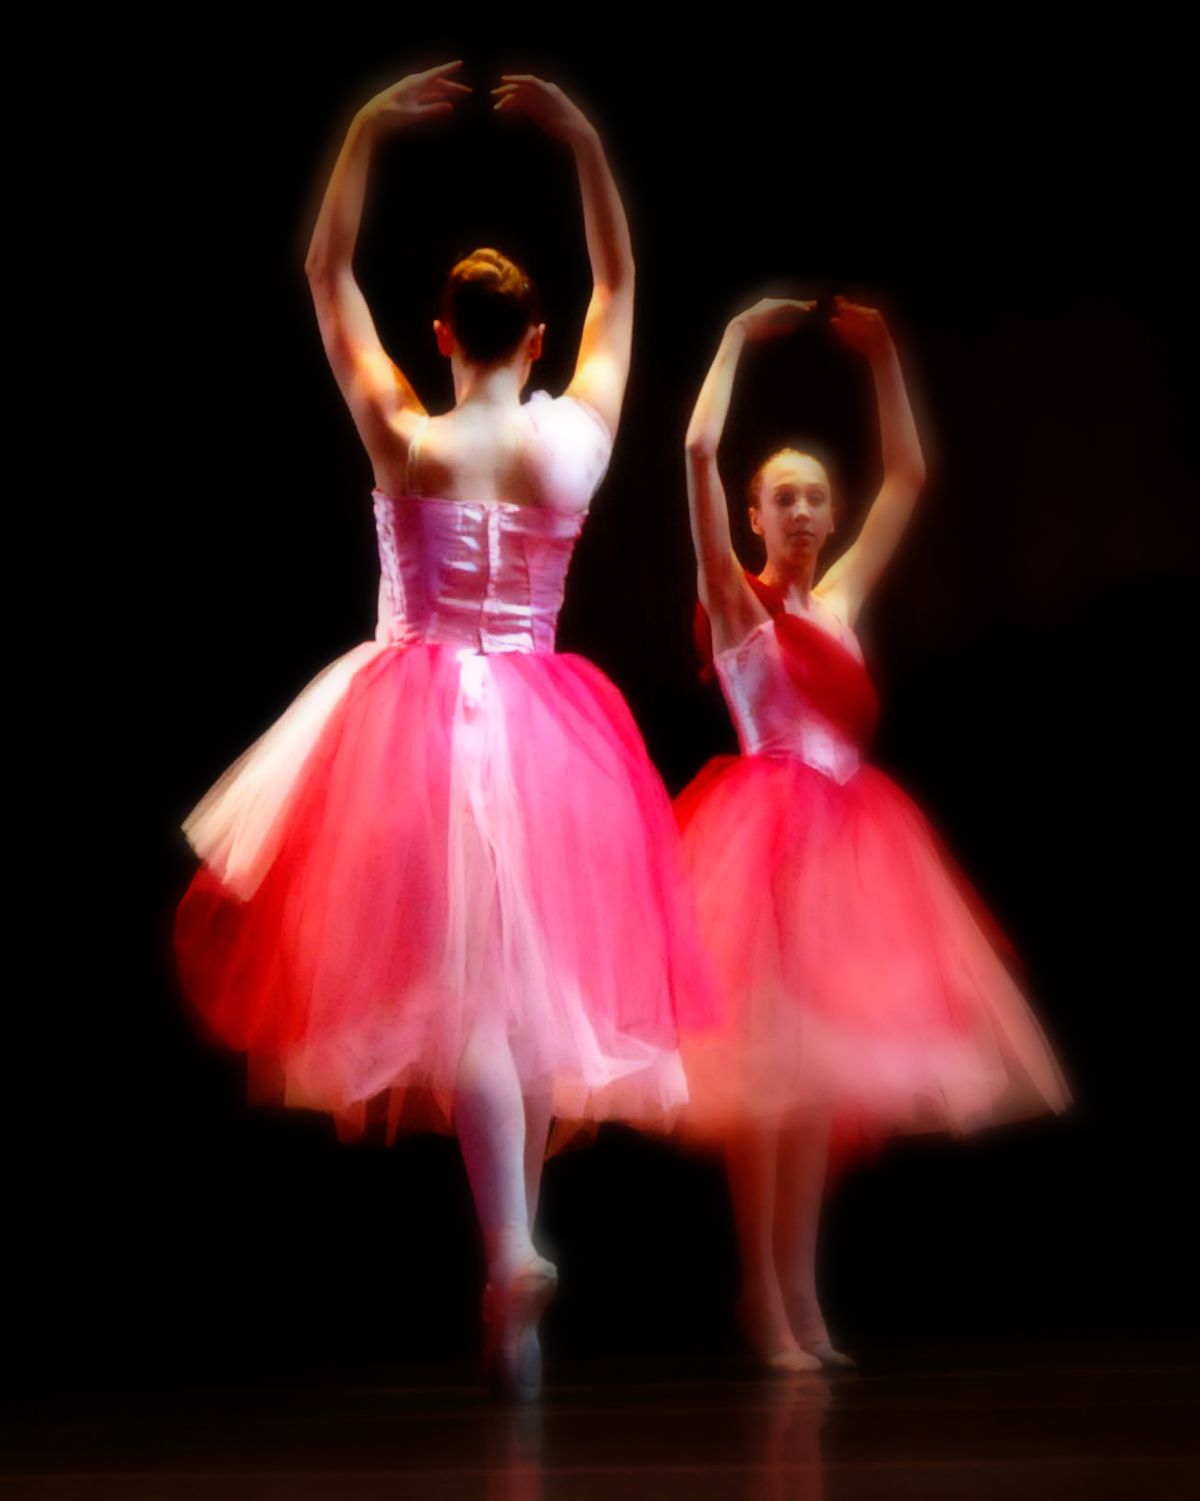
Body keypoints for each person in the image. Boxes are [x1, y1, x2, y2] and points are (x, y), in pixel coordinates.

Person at [173, 63, 715, 1402]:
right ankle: (510, 1271)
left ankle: (510, 1254)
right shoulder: (572, 445)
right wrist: (584, 141)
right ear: (537, 339)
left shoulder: (404, 437)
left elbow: (323, 273)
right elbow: (625, 285)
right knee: (520, 998)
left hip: (412, 725)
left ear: (439, 333)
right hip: (544, 726)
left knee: (477, 991)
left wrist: (363, 127)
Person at [676, 293, 1072, 1372]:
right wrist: (732, 340)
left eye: (815, 497)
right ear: (755, 517)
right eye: (784, 499)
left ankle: (799, 1297)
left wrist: (886, 354)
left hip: (848, 855)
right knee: (765, 1092)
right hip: (761, 847)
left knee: (810, 1095)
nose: (804, 513)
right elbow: (699, 449)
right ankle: (765, 1296)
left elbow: (910, 476)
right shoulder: (737, 602)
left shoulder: (841, 600)